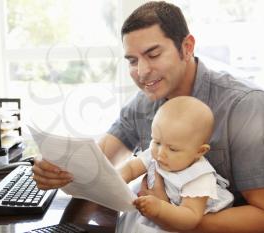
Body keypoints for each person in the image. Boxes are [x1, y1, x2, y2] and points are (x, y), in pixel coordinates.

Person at [32, 1, 264, 232]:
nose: (141, 72)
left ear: (187, 46)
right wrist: (57, 171)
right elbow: (98, 164)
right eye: (132, 60)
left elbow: (261, 215)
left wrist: (170, 216)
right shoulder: (142, 104)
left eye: (153, 54)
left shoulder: (244, 106)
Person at [117, 96, 233, 233]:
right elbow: (130, 168)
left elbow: (190, 218)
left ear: (199, 151)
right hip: (147, 209)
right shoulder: (158, 152)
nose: (160, 153)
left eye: (173, 149)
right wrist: (115, 180)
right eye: (156, 142)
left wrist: (160, 208)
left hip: (175, 223)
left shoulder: (199, 177)